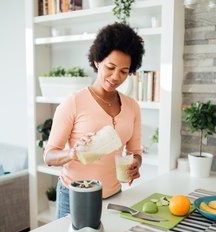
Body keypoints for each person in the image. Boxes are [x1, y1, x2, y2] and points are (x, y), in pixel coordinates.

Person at [43, 22, 145, 219]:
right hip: (75, 196)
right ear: (98, 61)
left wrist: (135, 164)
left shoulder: (132, 106)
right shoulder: (73, 103)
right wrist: (73, 153)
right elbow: (49, 156)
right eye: (111, 67)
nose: (116, 77)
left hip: (115, 197)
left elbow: (135, 152)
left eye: (124, 71)